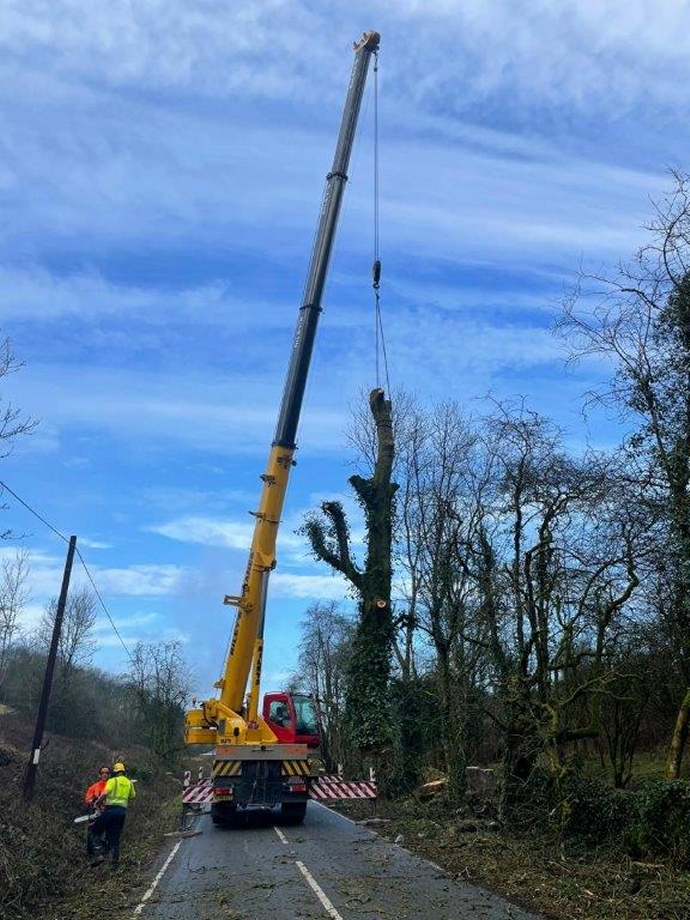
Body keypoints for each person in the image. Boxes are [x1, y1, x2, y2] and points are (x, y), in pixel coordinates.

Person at [95, 761, 136, 869]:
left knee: (95, 831)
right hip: (121, 813)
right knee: (115, 838)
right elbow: (132, 796)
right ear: (123, 772)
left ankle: (99, 854)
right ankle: (114, 864)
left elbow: (104, 793)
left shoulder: (112, 781)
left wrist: (98, 802)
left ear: (115, 772)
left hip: (109, 810)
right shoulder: (129, 783)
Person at [83, 766, 110, 858]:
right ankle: (91, 853)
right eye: (103, 773)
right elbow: (87, 799)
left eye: (106, 773)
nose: (104, 775)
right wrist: (92, 801)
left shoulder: (111, 786)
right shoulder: (94, 787)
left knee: (108, 833)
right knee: (92, 832)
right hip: (96, 813)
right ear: (100, 774)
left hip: (108, 813)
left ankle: (106, 851)